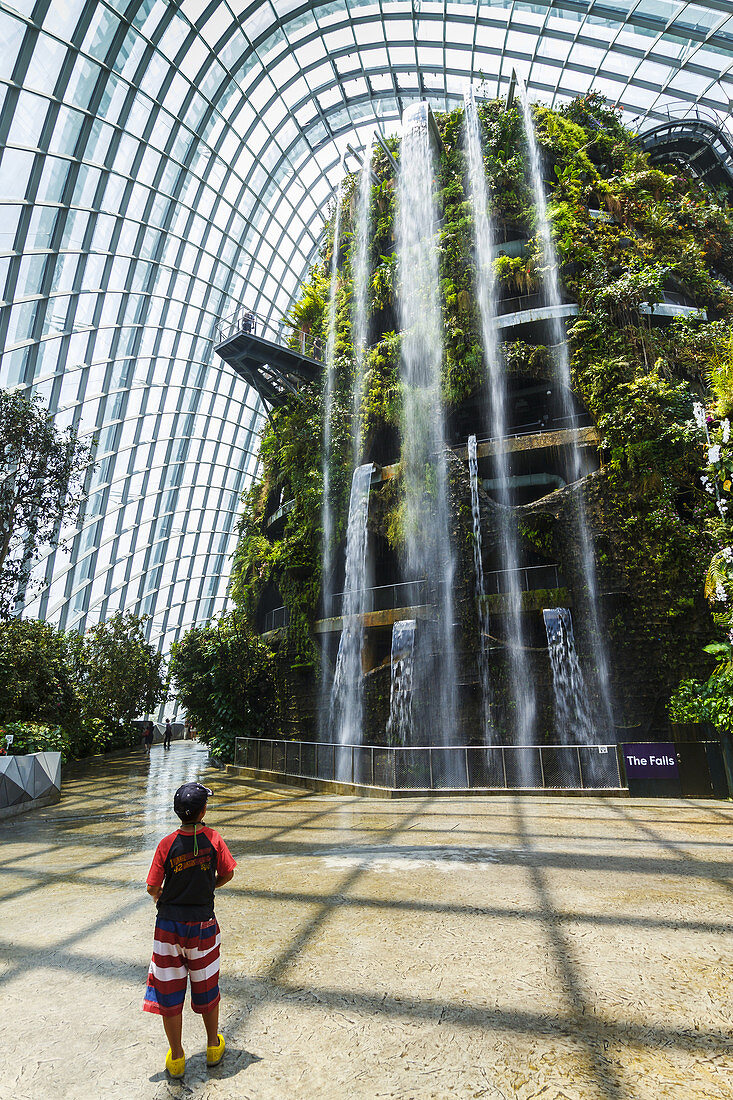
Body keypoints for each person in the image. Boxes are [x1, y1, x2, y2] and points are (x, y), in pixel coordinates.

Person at [143, 782, 237, 1079]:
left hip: (168, 929)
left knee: (169, 991)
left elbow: (151, 887)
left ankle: (177, 1058)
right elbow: (228, 872)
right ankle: (212, 1047)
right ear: (203, 810)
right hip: (203, 926)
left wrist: (163, 896)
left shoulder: (166, 844)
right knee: (207, 985)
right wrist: (209, 886)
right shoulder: (213, 838)